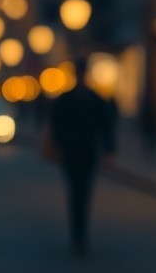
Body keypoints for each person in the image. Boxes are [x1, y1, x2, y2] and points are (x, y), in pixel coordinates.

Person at [48, 59, 116, 257]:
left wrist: (108, 151)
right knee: (76, 191)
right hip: (70, 153)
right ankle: (78, 236)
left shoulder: (95, 99)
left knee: (83, 193)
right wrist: (59, 145)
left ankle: (80, 236)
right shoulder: (66, 99)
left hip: (87, 152)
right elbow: (55, 125)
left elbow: (106, 127)